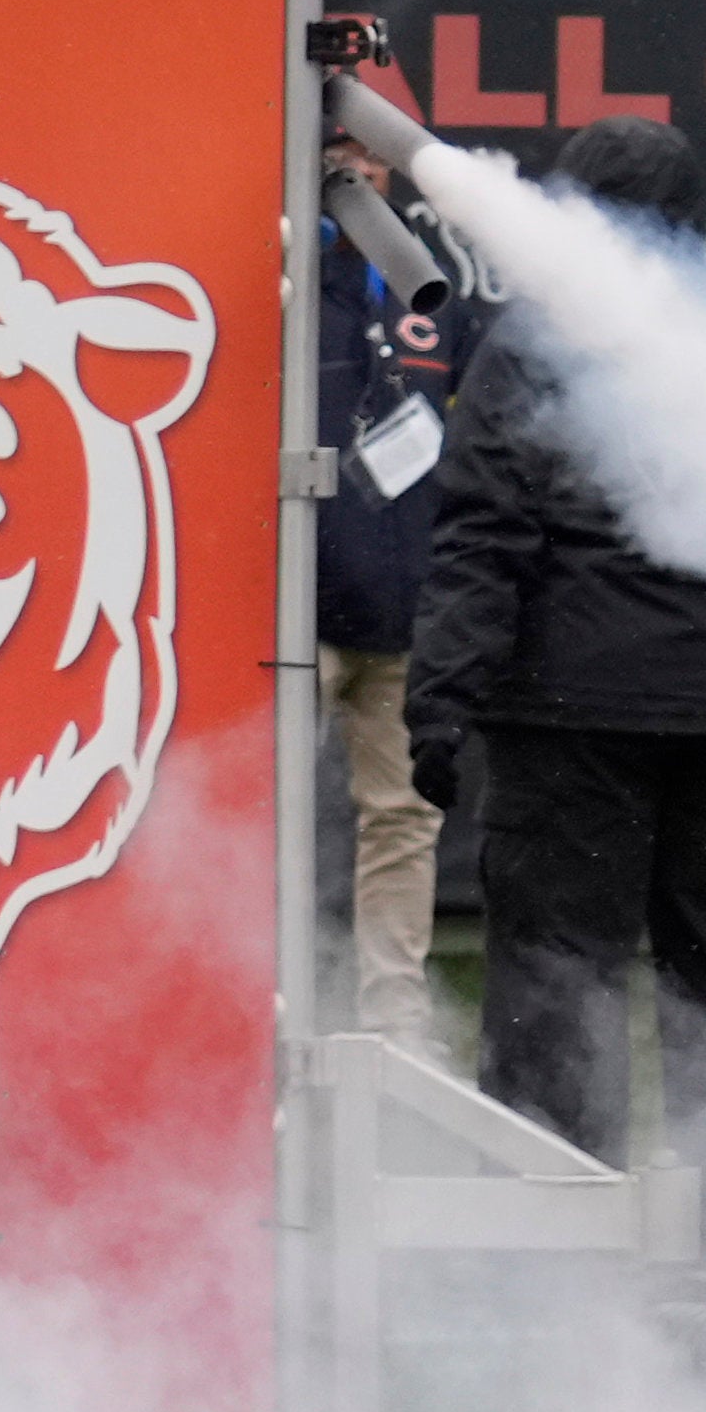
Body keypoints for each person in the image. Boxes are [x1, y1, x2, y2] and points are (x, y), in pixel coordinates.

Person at [404, 113, 706, 1292]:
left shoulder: (534, 342)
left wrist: (441, 700)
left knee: (554, 985)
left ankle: (550, 1269)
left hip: (575, 720)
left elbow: (484, 532)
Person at [308, 157, 450, 1047]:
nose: (356, 172)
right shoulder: (265, 265)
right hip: (286, 615)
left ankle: (396, 1023)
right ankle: (251, 999)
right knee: (256, 814)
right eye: (334, 156)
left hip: (402, 607)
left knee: (402, 819)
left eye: (369, 155)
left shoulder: (421, 275)